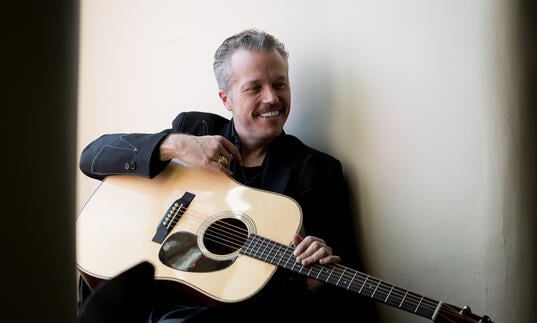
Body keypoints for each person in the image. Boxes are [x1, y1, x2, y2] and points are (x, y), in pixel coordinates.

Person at [77, 28, 378, 322]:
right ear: (226, 99)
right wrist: (174, 144)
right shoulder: (195, 130)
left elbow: (347, 284)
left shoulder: (317, 171)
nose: (272, 98)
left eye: (280, 83)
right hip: (152, 291)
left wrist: (317, 281)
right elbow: (92, 158)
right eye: (254, 88)